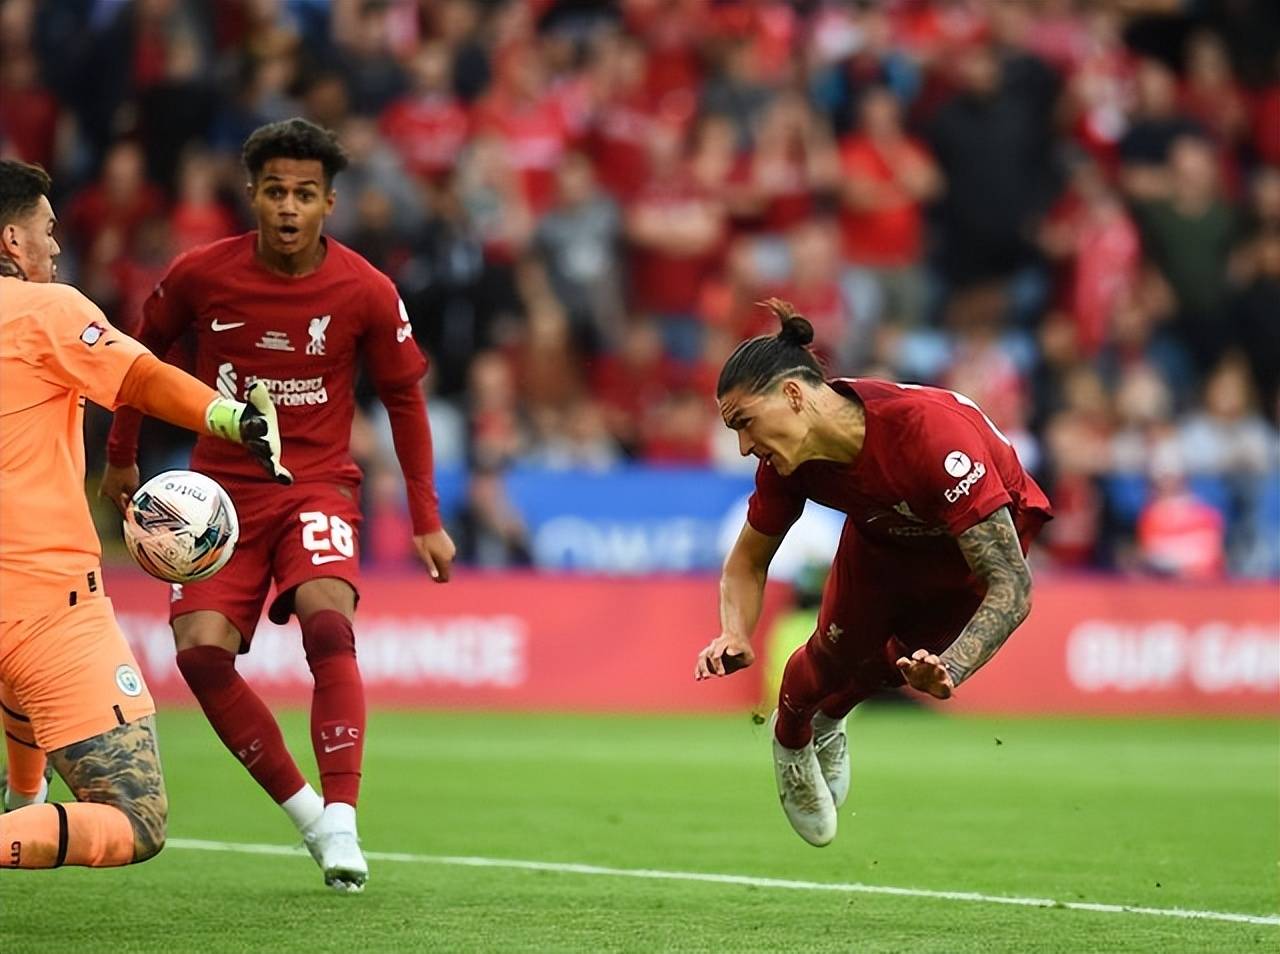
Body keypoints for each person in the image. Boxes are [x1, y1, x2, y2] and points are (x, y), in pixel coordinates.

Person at [100, 118, 455, 893]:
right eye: (274, 192)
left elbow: (404, 398)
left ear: (329, 203)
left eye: (303, 194)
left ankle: (345, 817)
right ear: (252, 197)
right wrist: (121, 454)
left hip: (317, 485)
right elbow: (137, 359)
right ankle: (310, 818)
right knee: (200, 654)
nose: (288, 207)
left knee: (329, 621)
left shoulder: (365, 289)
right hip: (216, 498)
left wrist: (425, 517)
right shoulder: (200, 275)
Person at [0, 158, 289, 868]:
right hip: (41, 601)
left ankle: (23, 795)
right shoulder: (45, 310)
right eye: (47, 230)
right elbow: (137, 376)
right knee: (133, 817)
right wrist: (228, 417)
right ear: (11, 240)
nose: (56, 246)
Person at [694, 299, 1052, 847]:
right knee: (833, 655)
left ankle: (829, 719)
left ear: (793, 396)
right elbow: (746, 561)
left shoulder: (930, 437)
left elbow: (1013, 584)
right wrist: (734, 632)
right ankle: (790, 742)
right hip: (881, 539)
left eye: (745, 423)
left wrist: (951, 667)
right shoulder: (788, 463)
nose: (744, 447)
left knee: (894, 668)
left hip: (963, 551)